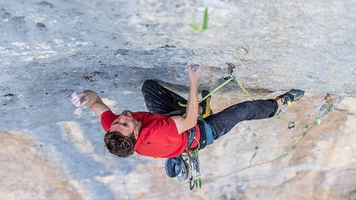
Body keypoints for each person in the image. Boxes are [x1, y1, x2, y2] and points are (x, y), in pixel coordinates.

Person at [71, 64, 304, 159]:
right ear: (134, 135)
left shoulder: (115, 131)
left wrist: (84, 96)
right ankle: (280, 104)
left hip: (172, 124)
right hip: (198, 132)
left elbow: (95, 102)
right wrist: (194, 82)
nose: (121, 117)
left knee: (149, 88)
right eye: (125, 123)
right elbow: (190, 121)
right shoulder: (159, 132)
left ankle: (202, 106)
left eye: (117, 122)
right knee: (243, 110)